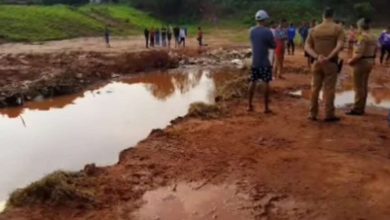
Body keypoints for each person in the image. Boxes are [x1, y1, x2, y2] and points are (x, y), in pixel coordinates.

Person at [305, 7, 345, 122]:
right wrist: (329, 57)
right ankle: (329, 114)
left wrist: (317, 56)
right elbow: (339, 45)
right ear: (332, 16)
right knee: (329, 89)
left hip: (316, 63)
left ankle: (312, 113)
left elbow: (307, 46)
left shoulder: (314, 29)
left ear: (323, 16)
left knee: (315, 88)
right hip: (330, 63)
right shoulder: (338, 29)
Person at [346, 18, 377, 116]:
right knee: (364, 85)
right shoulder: (373, 36)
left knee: (358, 86)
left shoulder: (362, 37)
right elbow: (376, 50)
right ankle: (361, 106)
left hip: (361, 62)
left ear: (360, 26)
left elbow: (359, 54)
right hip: (370, 61)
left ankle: (357, 109)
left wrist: (351, 61)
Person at [248, 10, 276, 113]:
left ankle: (249, 106)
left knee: (253, 81)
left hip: (255, 61)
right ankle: (266, 108)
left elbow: (254, 43)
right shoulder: (267, 31)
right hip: (264, 61)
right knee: (265, 82)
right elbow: (273, 45)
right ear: (264, 20)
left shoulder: (251, 31)